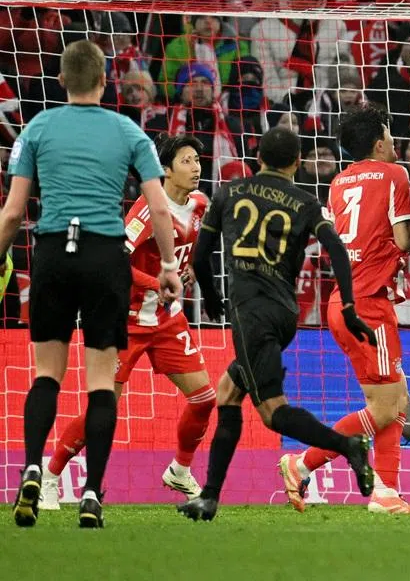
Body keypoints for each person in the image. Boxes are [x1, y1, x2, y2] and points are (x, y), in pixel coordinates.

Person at [6, 40, 182, 529]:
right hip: (107, 257)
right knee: (102, 381)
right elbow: (161, 207)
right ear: (106, 82)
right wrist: (168, 264)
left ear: (62, 80)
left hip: (53, 254)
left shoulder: (37, 128)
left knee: (46, 374)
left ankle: (33, 468)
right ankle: (90, 495)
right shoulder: (129, 131)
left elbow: (13, 211)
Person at [177, 127, 376, 522]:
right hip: (286, 314)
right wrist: (350, 305)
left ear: (257, 157)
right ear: (297, 164)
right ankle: (210, 496)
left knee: (271, 412)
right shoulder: (305, 202)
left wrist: (213, 300)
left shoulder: (228, 194)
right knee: (229, 391)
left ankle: (347, 446)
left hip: (251, 314)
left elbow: (201, 259)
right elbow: (336, 247)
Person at [41, 136, 213, 509]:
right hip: (127, 321)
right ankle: (51, 475)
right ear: (166, 171)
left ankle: (180, 471)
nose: (196, 166)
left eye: (197, 159)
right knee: (103, 409)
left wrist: (189, 273)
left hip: (168, 320)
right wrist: (159, 283)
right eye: (186, 161)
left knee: (204, 398)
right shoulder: (148, 212)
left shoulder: (200, 204)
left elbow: (192, 249)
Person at [279, 106, 410, 516]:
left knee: (397, 396)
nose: (395, 144)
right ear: (379, 143)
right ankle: (301, 463)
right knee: (385, 406)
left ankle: (387, 492)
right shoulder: (396, 175)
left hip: (343, 300)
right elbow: (404, 238)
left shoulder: (339, 181)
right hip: (368, 304)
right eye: (391, 137)